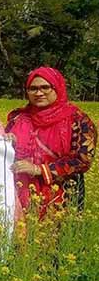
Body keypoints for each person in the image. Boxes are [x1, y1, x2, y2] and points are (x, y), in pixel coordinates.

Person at [7, 67, 96, 218]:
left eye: (45, 87)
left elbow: (83, 160)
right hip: (18, 193)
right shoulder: (17, 118)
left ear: (57, 87)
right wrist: (7, 142)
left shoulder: (78, 120)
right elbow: (3, 153)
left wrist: (40, 170)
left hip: (62, 197)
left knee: (56, 239)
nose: (39, 93)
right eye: (32, 88)